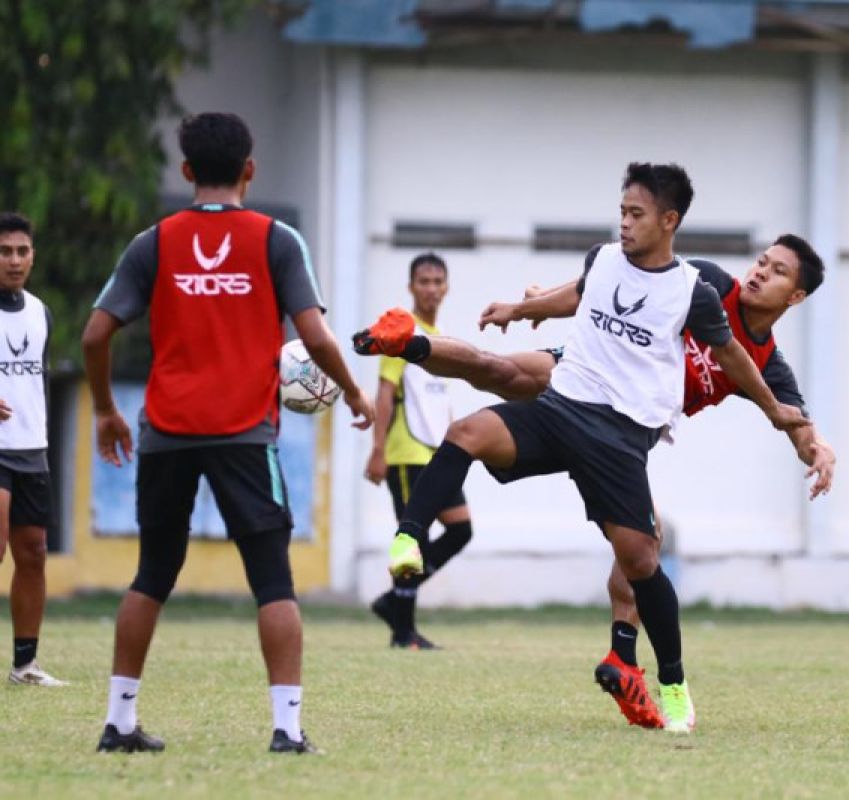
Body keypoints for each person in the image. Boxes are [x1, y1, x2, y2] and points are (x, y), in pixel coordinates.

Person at [377, 162, 808, 734]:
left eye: (637, 215)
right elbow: (577, 297)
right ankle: (408, 537)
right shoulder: (603, 259)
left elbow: (734, 358)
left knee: (640, 562)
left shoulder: (690, 292)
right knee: (468, 433)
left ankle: (672, 682)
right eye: (622, 212)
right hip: (562, 408)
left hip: (619, 438)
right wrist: (519, 307)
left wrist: (778, 413)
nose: (625, 224)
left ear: (669, 221)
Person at [81, 112, 374, 754]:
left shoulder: (152, 242)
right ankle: (286, 730)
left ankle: (118, 721)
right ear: (250, 169)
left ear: (186, 171)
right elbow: (316, 335)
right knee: (272, 578)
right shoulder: (277, 240)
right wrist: (353, 392)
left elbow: (96, 333)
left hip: (165, 432)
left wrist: (106, 407)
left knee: (152, 573)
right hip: (245, 435)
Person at [365, 252, 472, 650]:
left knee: (461, 529)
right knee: (412, 542)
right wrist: (377, 450)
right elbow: (384, 393)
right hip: (406, 454)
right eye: (423, 281)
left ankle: (394, 602)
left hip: (437, 455)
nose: (430, 288)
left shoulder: (437, 332)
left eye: (437, 281)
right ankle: (403, 633)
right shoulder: (402, 333)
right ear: (411, 287)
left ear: (446, 287)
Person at [0, 212, 65, 688]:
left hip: (31, 448)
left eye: (22, 251)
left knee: (35, 552)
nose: (15, 260)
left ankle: (25, 666)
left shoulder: (40, 311)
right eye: (5, 251)